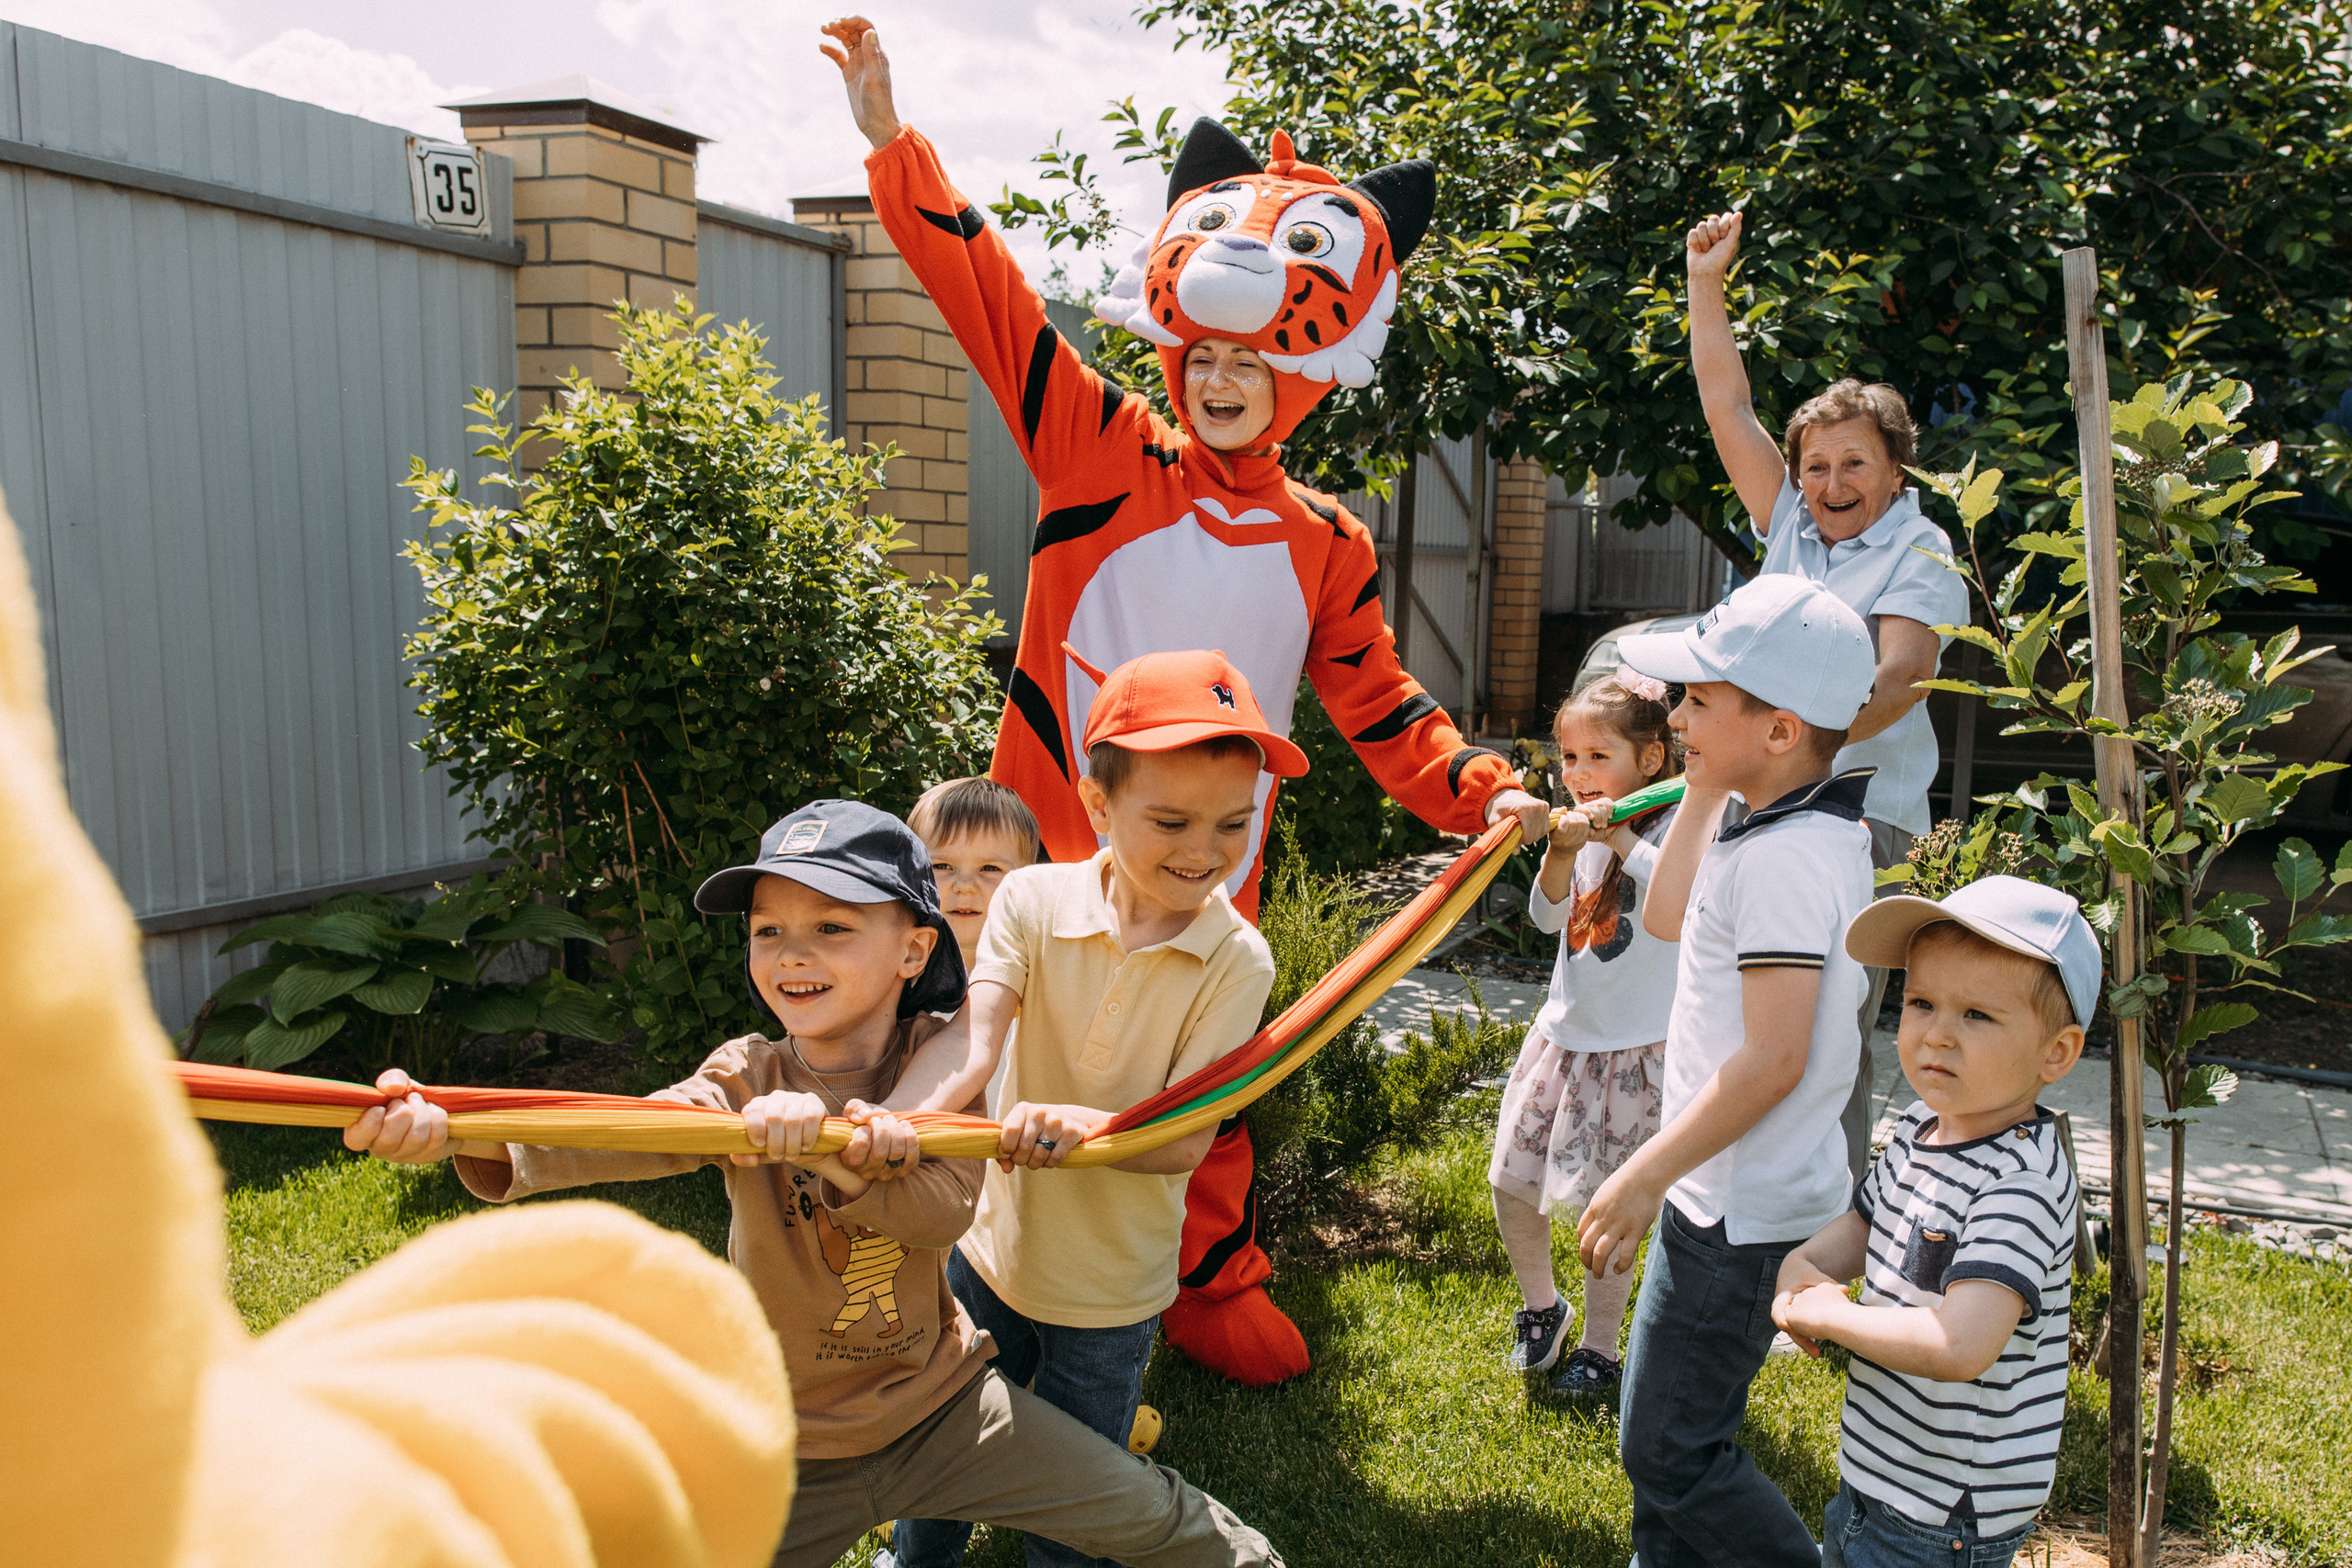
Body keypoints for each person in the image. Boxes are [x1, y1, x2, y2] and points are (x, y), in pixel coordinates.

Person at [821, 14, 1552, 1386]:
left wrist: (1478, 789)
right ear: (1174, 342)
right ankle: (913, 1280)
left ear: (1306, 373)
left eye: (1256, 363)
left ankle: (1202, 1278)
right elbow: (993, 302)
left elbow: (1382, 700)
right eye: (1206, 357)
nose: (1223, 382)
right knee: (959, 1055)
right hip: (1042, 852)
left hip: (1215, 862)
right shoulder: (1094, 442)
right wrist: (892, 145)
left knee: (1203, 1089)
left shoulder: (1328, 536)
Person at [344, 798, 1283, 1568]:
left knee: (1145, 1515)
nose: (793, 953)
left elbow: (936, 1209)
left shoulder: (944, 1069)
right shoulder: (746, 1077)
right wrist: (459, 1133)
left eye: (832, 928)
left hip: (943, 1410)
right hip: (787, 1448)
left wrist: (822, 1147)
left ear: (914, 951)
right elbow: (639, 1129)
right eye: (769, 930)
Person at [887, 649, 1299, 1568]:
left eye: (1234, 823)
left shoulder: (1238, 961)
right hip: (993, 1252)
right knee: (944, 1435)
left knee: (1075, 1487)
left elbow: (1182, 1140)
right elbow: (974, 1036)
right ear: (1098, 805)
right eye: (1171, 820)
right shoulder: (1029, 899)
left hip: (1112, 1292)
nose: (1205, 851)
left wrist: (1086, 1130)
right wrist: (905, 1116)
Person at [1573, 573, 1879, 1568]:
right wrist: (1705, 778)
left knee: (1668, 1450)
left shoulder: (1786, 860)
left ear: (1781, 730)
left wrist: (1641, 1171)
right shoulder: (1779, 821)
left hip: (1739, 1213)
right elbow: (1664, 917)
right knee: (1663, 1446)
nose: (1673, 711)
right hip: (1722, 1197)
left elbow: (1774, 1059)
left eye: (1701, 700)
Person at [1686, 209, 1973, 1182]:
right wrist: (1706, 284)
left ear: (1896, 471)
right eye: (1814, 464)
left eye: (1854, 463)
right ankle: (1730, 1202)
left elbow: (1901, 676)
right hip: (1758, 810)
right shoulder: (1790, 531)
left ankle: (1816, 1232)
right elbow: (1728, 407)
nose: (1830, 481)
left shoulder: (1918, 549)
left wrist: (1786, 747)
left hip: (1857, 821)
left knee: (1821, 1040)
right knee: (1738, 1016)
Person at [1774, 876, 2096, 1567]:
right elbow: (1867, 1223)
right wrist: (1804, 1268)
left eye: (1977, 1014)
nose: (1937, 1035)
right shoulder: (1925, 1126)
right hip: (1883, 1467)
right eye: (1921, 1002)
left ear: (2056, 1053)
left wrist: (1832, 1315)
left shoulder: (2022, 1183)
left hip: (1946, 1507)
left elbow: (1959, 1343)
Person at [1488, 673, 1682, 1399]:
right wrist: (1566, 854)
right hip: (1562, 1038)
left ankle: (1602, 1349)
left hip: (1634, 1050)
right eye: (1567, 757)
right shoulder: (1583, 835)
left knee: (1610, 1208)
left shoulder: (1671, 828)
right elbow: (1545, 919)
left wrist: (1620, 834)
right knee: (1513, 1176)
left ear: (1652, 760)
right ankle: (1544, 1308)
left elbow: (1676, 900)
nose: (1576, 774)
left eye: (1597, 756)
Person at [910, 776, 1044, 976]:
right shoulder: (887, 977)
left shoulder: (1042, 978)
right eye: (942, 866)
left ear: (1027, 880)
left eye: (989, 868)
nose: (965, 886)